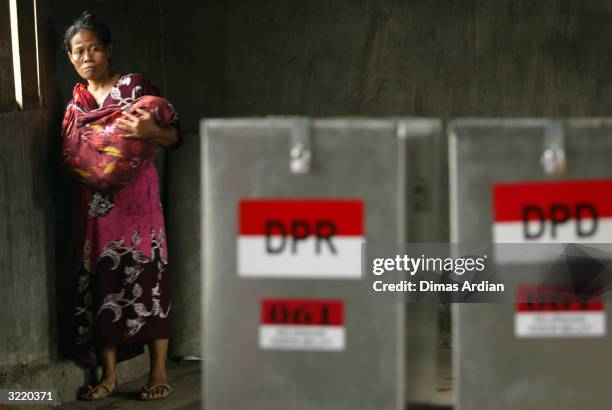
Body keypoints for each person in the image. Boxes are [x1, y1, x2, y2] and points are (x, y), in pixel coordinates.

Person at [61, 11, 180, 401]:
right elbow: (70, 155)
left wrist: (151, 132)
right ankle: (109, 375)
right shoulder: (76, 106)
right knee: (105, 285)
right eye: (79, 51)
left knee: (150, 281)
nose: (87, 57)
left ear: (109, 50)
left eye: (94, 48)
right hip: (97, 209)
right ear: (70, 59)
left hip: (138, 205)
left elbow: (175, 134)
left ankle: (157, 372)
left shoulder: (134, 89)